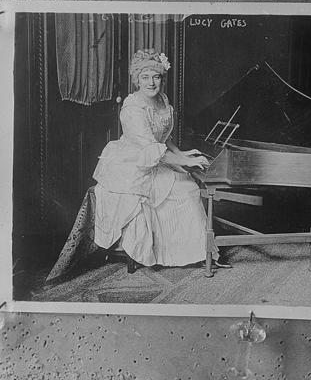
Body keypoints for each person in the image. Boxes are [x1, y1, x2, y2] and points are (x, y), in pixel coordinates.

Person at [92, 48, 228, 273]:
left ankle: (194, 251)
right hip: (134, 163)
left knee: (187, 183)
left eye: (156, 77)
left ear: (162, 78)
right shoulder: (132, 109)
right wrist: (186, 162)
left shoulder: (163, 100)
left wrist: (183, 155)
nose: (151, 83)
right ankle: (188, 252)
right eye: (145, 77)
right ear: (137, 80)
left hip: (155, 155)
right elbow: (151, 149)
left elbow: (164, 139)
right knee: (186, 188)